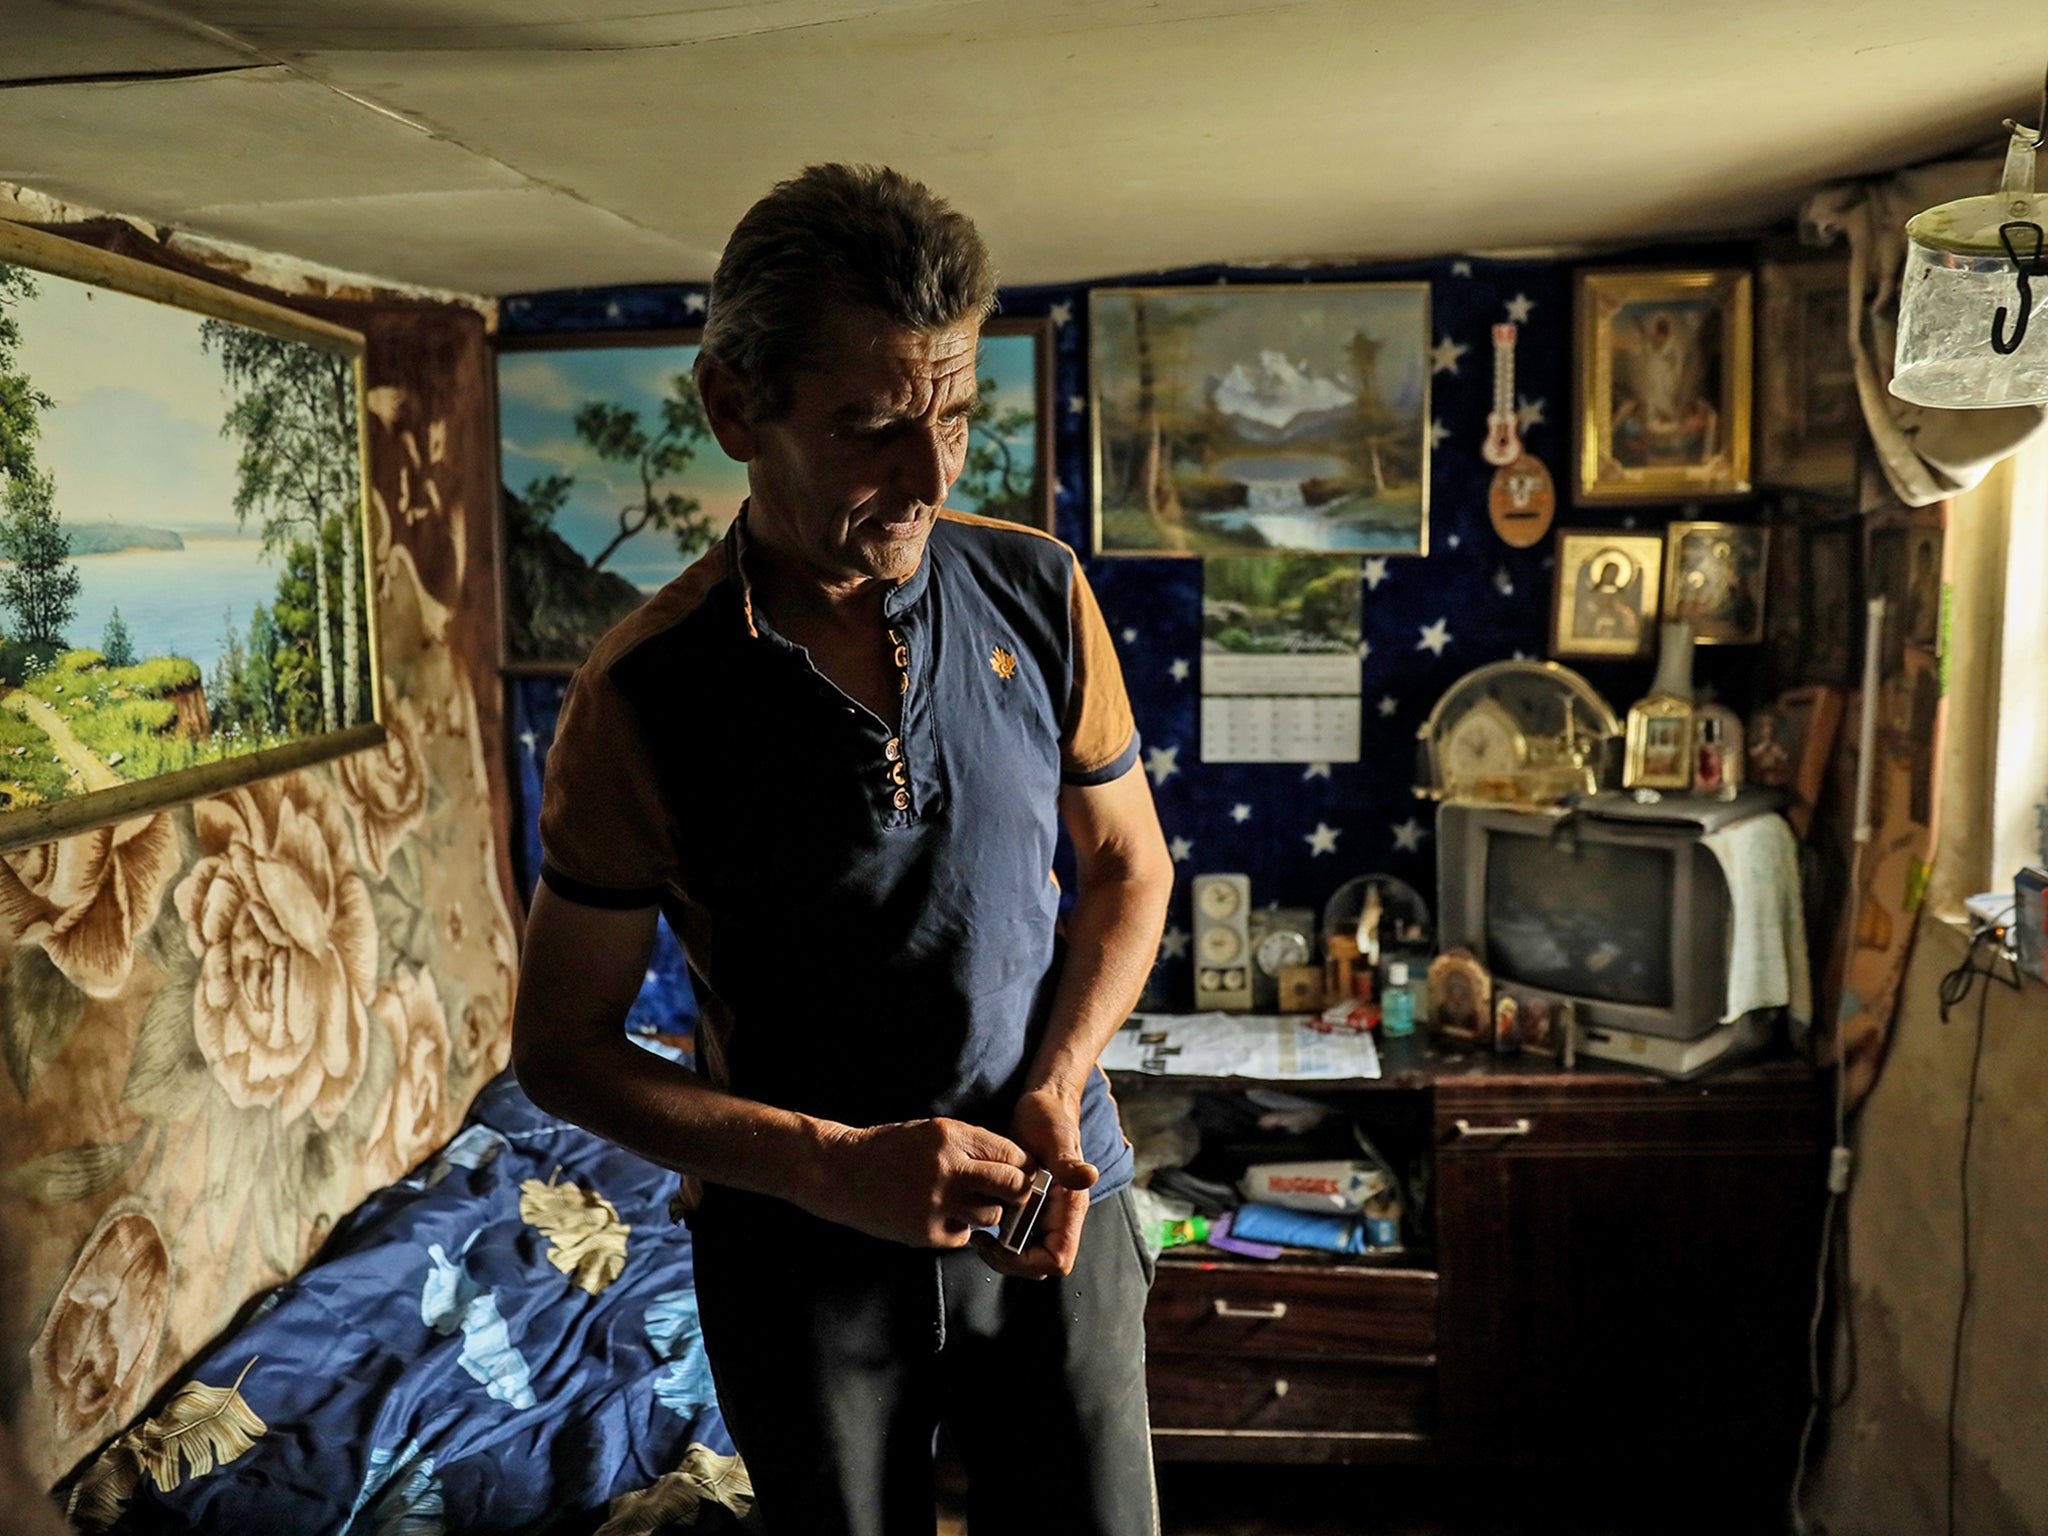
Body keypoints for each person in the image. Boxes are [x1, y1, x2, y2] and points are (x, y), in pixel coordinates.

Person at [512, 163, 1173, 1536]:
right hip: (802, 1249)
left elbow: (1127, 871)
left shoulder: (1041, 590)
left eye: (955, 416)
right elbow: (561, 1050)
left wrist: (1057, 1076)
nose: (933, 474)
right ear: (734, 407)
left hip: (1055, 1202)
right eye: (874, 427)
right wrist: (829, 1163)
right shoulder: (641, 697)